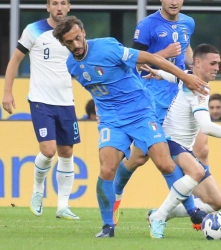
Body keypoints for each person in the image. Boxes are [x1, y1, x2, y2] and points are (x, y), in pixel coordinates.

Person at [53, 16, 209, 238]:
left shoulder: (107, 47)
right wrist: (101, 110)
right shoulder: (71, 65)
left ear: (84, 33)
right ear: (63, 44)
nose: (76, 45)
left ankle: (192, 210)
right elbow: (99, 87)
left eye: (78, 38)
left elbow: (149, 58)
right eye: (69, 42)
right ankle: (108, 226)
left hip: (140, 112)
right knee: (107, 168)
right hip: (111, 119)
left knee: (165, 163)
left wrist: (185, 77)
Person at [113, 0, 211, 228]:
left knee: (176, 155)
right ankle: (116, 191)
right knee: (139, 157)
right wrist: (164, 53)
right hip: (152, 100)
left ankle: (192, 211)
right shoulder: (147, 25)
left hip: (177, 98)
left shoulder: (189, 22)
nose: (174, 2)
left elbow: (186, 50)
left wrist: (199, 68)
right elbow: (134, 63)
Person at [142, 44, 221, 229]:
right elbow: (206, 127)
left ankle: (162, 212)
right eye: (212, 63)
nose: (217, 68)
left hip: (184, 148)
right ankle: (160, 217)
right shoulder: (198, 89)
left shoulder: (188, 78)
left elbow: (177, 78)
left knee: (217, 202)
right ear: (197, 62)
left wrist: (160, 74)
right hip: (171, 142)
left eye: (218, 64)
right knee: (196, 172)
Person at [2, 0, 80, 220]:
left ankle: (62, 206)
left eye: (63, 3)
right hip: (40, 101)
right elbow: (15, 60)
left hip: (66, 101)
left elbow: (85, 66)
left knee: (67, 153)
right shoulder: (33, 30)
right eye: (54, 3)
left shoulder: (75, 36)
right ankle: (37, 190)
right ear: (48, 7)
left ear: (69, 7)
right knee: (48, 150)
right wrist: (7, 92)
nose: (59, 7)